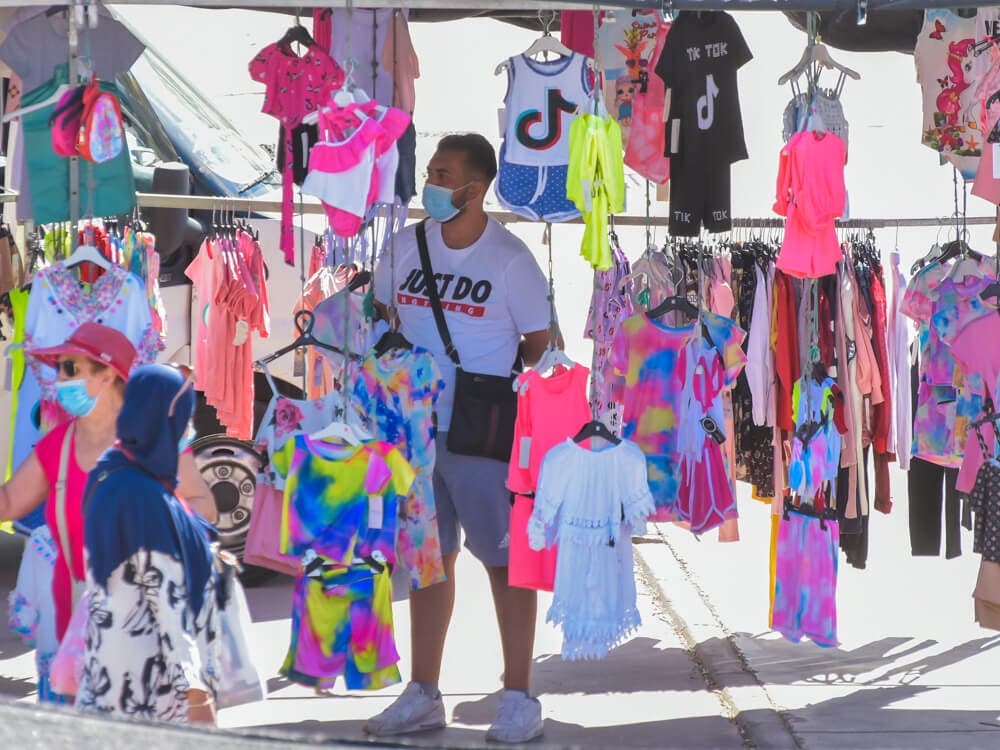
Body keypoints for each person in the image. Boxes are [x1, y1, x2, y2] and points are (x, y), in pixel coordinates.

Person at [366, 134, 555, 744]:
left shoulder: (510, 259)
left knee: (504, 565)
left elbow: (541, 348)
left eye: (443, 174)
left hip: (482, 433)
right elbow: (378, 316)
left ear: (475, 189)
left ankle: (519, 696)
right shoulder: (402, 247)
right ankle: (423, 692)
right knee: (426, 563)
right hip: (412, 432)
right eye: (431, 172)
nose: (432, 183)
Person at [0, 323, 216, 702]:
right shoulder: (58, 445)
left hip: (147, 622)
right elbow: (9, 502)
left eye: (70, 369)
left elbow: (204, 507)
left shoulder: (155, 439)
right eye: (58, 369)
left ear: (108, 375)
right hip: (74, 624)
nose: (59, 380)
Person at [76, 363, 219, 725]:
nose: (188, 429)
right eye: (186, 416)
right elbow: (167, 602)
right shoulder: (144, 497)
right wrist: (196, 694)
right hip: (147, 692)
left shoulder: (108, 472)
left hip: (105, 673)